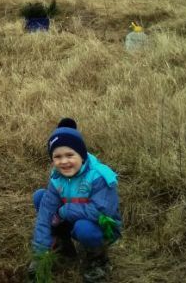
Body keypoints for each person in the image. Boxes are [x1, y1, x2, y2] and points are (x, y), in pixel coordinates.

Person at [28, 118, 122, 283]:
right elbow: (45, 215)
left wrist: (66, 210)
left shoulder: (99, 176)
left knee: (84, 228)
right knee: (41, 197)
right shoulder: (57, 178)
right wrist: (40, 253)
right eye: (57, 156)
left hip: (101, 225)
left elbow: (102, 212)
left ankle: (98, 260)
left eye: (70, 155)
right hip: (73, 219)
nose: (64, 161)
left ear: (82, 155)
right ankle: (63, 245)